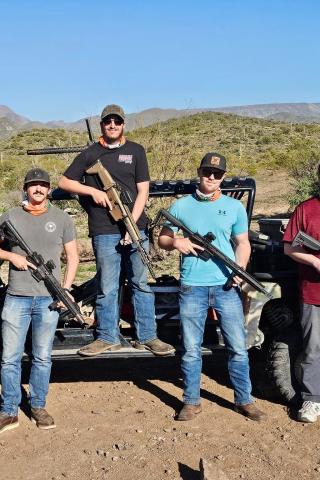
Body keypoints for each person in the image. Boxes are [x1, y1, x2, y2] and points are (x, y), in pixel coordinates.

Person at [57, 104, 173, 357]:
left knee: (140, 283)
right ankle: (107, 336)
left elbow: (143, 190)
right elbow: (64, 182)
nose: (112, 125)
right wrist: (93, 191)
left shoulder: (136, 151)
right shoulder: (90, 154)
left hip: (135, 228)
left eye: (117, 122)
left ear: (123, 124)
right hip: (104, 229)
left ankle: (148, 336)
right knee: (107, 285)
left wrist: (132, 223)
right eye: (108, 122)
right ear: (102, 125)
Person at [157, 153, 266, 421]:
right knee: (191, 349)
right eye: (207, 172)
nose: (212, 177)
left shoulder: (234, 207)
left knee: (238, 347)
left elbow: (242, 243)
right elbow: (162, 238)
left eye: (217, 174)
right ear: (199, 172)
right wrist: (176, 243)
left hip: (226, 286)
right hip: (192, 286)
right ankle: (191, 401)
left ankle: (244, 400)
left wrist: (239, 272)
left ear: (223, 177)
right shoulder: (181, 206)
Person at [0, 168, 78, 435]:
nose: (38, 189)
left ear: (49, 189)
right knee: (10, 357)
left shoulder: (61, 218)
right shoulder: (11, 216)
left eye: (43, 185)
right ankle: (9, 410)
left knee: (42, 357)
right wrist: (12, 257)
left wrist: (66, 288)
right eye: (32, 185)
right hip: (17, 298)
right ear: (25, 189)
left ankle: (38, 406)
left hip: (48, 299)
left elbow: (73, 256)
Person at [283, 163, 320, 422]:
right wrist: (316, 262)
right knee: (313, 348)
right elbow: (290, 248)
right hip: (313, 293)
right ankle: (311, 400)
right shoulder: (306, 209)